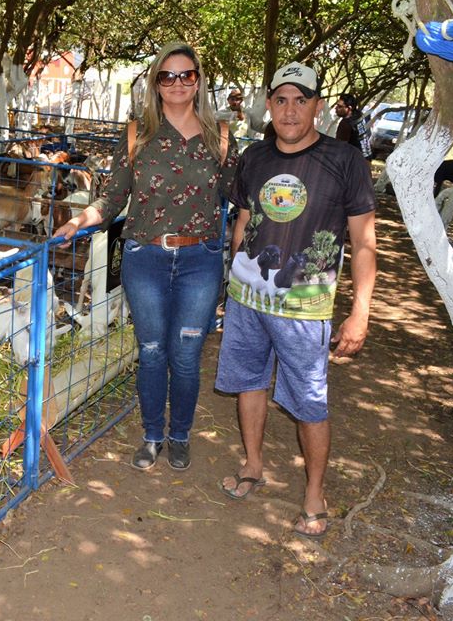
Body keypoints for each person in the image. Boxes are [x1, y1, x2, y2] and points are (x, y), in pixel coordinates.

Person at [54, 42, 238, 472]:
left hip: (201, 260)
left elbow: (241, 196)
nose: (177, 83)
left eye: (186, 75)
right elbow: (113, 197)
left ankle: (180, 435)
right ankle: (153, 434)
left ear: (198, 80)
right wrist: (79, 222)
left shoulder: (220, 137)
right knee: (152, 350)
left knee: (187, 354)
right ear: (156, 83)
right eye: (167, 76)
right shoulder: (138, 134)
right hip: (146, 259)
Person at [214, 62, 377, 539]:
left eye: (300, 100)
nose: (289, 109)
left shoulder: (344, 161)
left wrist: (360, 311)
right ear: (269, 105)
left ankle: (314, 494)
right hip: (247, 298)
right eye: (281, 99)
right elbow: (244, 219)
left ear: (317, 107)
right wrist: (233, 280)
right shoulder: (254, 158)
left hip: (305, 307)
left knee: (309, 401)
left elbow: (364, 242)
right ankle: (253, 466)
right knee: (248, 381)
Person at [333, 93, 372, 160]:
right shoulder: (360, 116)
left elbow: (340, 147)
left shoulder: (345, 124)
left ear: (349, 108)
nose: (336, 108)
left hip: (353, 162)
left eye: (339, 106)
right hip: (366, 158)